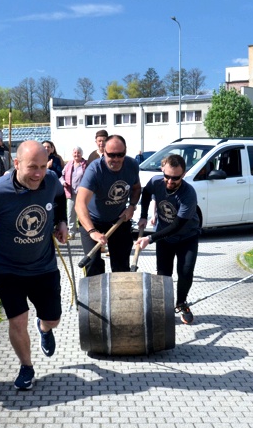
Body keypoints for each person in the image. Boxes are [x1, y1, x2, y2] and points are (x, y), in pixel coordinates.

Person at [0, 140, 68, 391]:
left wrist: (61, 221)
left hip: (43, 266)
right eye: (32, 167)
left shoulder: (50, 180)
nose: (38, 174)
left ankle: (44, 329)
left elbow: (60, 198)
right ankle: (26, 367)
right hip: (7, 268)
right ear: (16, 164)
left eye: (43, 166)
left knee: (53, 319)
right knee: (17, 321)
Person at [135, 153, 200, 324]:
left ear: (183, 174)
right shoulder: (156, 182)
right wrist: (143, 215)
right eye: (167, 176)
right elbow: (146, 193)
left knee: (185, 272)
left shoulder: (188, 194)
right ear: (163, 170)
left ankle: (181, 303)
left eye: (175, 178)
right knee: (164, 274)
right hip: (165, 237)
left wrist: (150, 238)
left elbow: (177, 225)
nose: (170, 181)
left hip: (187, 236)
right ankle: (164, 307)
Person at [75, 135, 141, 277]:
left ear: (125, 152)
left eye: (120, 155)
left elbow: (136, 188)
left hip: (119, 220)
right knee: (93, 264)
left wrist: (131, 206)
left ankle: (119, 291)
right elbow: (80, 204)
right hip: (92, 221)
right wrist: (92, 231)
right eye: (111, 155)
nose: (116, 159)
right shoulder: (95, 170)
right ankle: (96, 290)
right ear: (104, 152)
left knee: (121, 266)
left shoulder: (132, 165)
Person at [61, 146, 87, 239]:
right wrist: (63, 182)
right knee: (70, 213)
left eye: (78, 153)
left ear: (81, 154)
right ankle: (71, 233)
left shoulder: (85, 164)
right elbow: (62, 176)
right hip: (70, 192)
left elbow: (89, 177)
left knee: (83, 213)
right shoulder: (69, 164)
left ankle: (85, 232)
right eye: (75, 153)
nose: (76, 154)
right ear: (72, 154)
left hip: (82, 193)